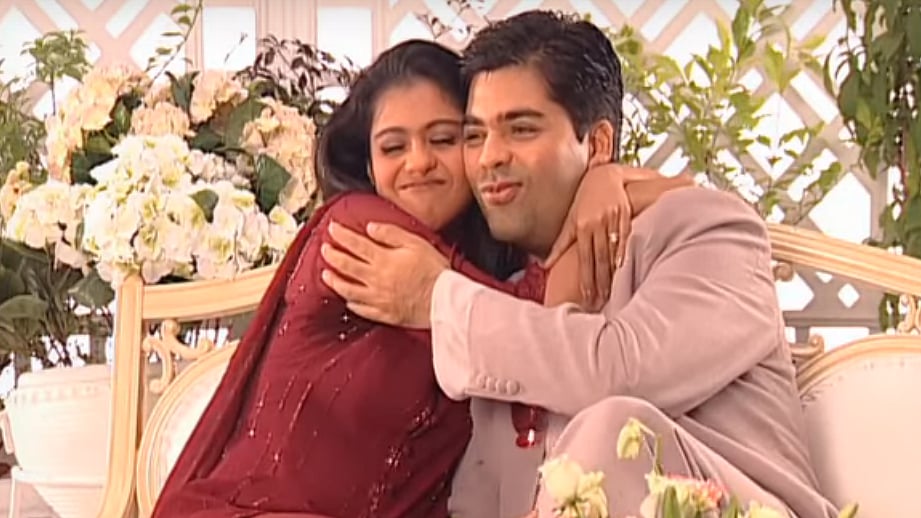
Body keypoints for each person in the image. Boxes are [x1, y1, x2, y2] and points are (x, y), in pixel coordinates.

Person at [321, 11, 839, 518]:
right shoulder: (507, 298)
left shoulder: (708, 230)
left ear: (598, 144)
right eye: (475, 135)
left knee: (612, 428)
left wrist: (436, 298)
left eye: (521, 129)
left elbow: (623, 374)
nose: (490, 157)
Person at [152, 39, 687, 518]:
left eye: (444, 139)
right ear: (368, 164)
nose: (419, 163)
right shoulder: (359, 227)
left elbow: (539, 335)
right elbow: (540, 316)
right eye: (393, 147)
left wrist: (602, 179)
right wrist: (601, 182)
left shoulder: (480, 267)